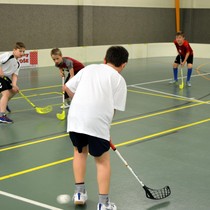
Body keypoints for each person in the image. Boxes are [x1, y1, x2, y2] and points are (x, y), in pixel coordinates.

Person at [64, 46, 129, 210]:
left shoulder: (90, 68)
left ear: (104, 59)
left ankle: (79, 193)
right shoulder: (119, 80)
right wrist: (104, 130)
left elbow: (67, 88)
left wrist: (78, 100)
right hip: (97, 122)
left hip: (75, 118)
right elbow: (112, 109)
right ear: (124, 65)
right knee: (102, 161)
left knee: (79, 153)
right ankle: (103, 204)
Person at [0, 42, 26, 124]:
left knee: (14, 90)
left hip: (4, 78)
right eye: (20, 51)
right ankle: (1, 116)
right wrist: (0, 71)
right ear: (14, 50)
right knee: (6, 94)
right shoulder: (8, 55)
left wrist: (14, 85)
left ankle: (4, 103)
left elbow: (15, 75)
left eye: (23, 52)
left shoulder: (18, 64)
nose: (22, 53)